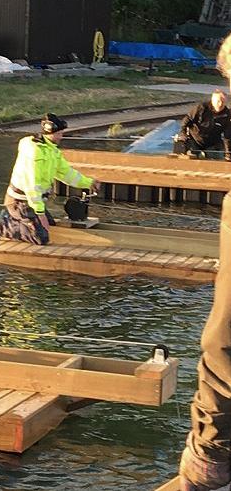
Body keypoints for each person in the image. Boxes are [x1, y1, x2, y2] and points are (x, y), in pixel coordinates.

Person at [179, 33, 231, 491]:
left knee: (223, 336)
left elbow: (224, 346)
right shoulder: (217, 108)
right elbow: (200, 137)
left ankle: (209, 455)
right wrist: (214, 113)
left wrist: (208, 449)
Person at [0, 113, 100, 245]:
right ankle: (2, 224)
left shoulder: (52, 151)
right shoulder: (35, 152)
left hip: (33, 201)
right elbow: (32, 185)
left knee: (51, 226)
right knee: (41, 238)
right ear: (49, 133)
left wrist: (88, 182)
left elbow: (66, 173)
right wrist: (40, 213)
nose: (61, 136)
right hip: (20, 201)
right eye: (59, 133)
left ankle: (20, 220)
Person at [173, 89, 231, 161]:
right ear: (212, 101)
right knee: (188, 156)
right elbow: (187, 120)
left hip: (213, 143)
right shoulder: (202, 108)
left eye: (223, 102)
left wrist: (228, 153)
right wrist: (182, 133)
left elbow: (227, 135)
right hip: (195, 140)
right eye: (218, 101)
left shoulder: (227, 114)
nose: (220, 104)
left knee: (218, 159)